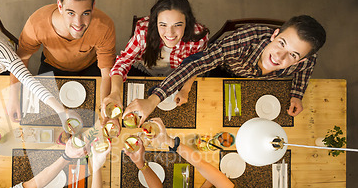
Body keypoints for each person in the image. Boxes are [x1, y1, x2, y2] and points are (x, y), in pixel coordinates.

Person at [124, 15, 326, 122]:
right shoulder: (242, 42)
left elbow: (308, 66)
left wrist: (297, 94)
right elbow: (196, 63)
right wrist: (153, 100)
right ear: (274, 35)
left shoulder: (306, 61)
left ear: (299, 60)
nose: (279, 56)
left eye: (293, 55)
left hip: (251, 89)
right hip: (221, 71)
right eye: (281, 43)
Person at [9, 0, 116, 122]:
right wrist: (14, 97)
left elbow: (107, 73)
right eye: (71, 13)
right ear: (60, 6)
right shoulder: (36, 23)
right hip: (52, 66)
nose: (78, 23)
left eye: (85, 13)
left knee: (92, 119)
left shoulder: (105, 26)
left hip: (91, 67)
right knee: (45, 120)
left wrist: (106, 113)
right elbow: (21, 59)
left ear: (93, 6)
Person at [102, 0, 208, 118]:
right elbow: (123, 61)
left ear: (187, 22)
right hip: (146, 74)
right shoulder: (143, 31)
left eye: (177, 25)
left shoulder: (198, 35)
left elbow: (196, 65)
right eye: (163, 25)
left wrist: (186, 89)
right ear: (155, 22)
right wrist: (115, 92)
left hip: (180, 78)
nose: (170, 33)